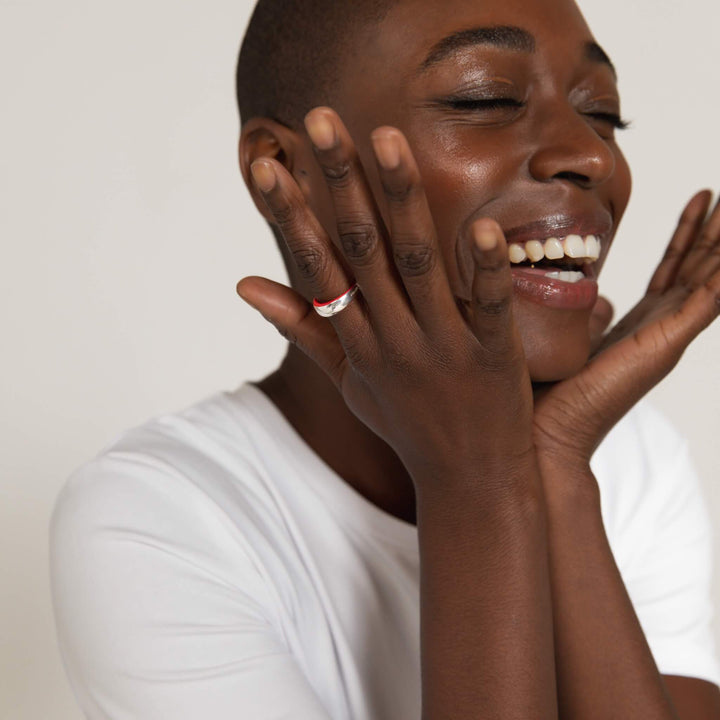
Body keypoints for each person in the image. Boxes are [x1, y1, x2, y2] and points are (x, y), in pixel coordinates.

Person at [50, 0, 720, 717]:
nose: (591, 154)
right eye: (484, 98)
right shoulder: (160, 519)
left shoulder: (634, 464)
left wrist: (552, 467)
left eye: (603, 113)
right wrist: (480, 482)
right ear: (285, 168)